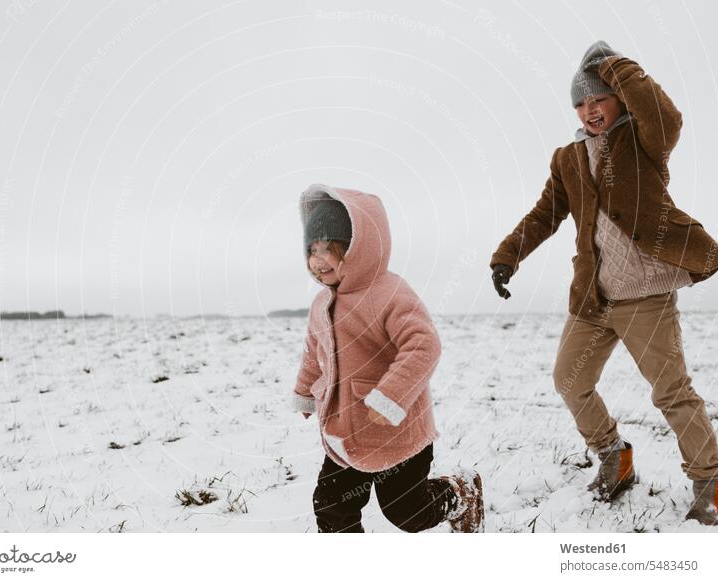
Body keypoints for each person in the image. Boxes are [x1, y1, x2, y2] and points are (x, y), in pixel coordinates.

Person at [490, 41, 718, 525]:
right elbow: (544, 215)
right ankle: (614, 454)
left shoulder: (643, 140)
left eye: (600, 98)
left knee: (671, 392)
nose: (590, 110)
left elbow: (667, 115)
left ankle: (710, 479)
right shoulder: (568, 157)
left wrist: (611, 65)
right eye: (580, 102)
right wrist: (508, 256)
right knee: (569, 380)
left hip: (646, 297)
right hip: (593, 298)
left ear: (618, 98)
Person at [292, 183, 484, 533]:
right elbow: (313, 350)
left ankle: (460, 493)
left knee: (408, 514)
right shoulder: (321, 303)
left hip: (398, 433)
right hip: (344, 434)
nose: (317, 260)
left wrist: (391, 395)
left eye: (328, 247)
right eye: (311, 248)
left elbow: (423, 344)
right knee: (332, 507)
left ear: (359, 248)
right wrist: (305, 390)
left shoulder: (389, 292)